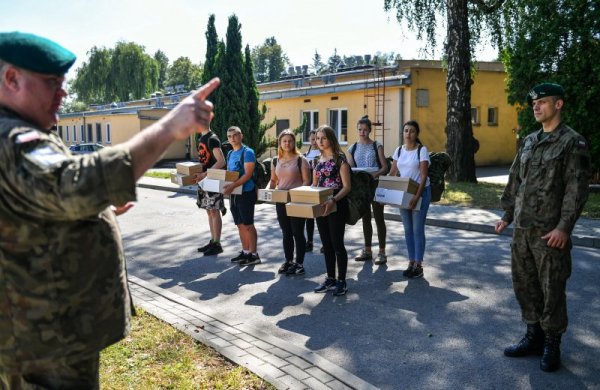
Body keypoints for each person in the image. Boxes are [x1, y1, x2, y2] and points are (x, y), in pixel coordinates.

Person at [0, 32, 219, 388]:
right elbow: (72, 184)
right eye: (52, 81)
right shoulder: (14, 140)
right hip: (46, 341)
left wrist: (97, 210)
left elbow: (36, 206)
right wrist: (170, 126)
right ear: (12, 79)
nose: (64, 92)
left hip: (42, 332)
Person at [495, 82, 591, 372]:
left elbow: (576, 189)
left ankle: (552, 343)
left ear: (558, 105)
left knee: (552, 290)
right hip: (522, 231)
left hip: (550, 234)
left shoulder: (572, 142)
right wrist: (507, 215)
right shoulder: (530, 141)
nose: (536, 107)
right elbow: (515, 179)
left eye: (543, 102)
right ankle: (532, 336)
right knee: (525, 285)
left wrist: (564, 227)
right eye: (534, 103)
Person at [388, 120, 432, 279]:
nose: (408, 134)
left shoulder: (422, 150)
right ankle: (411, 261)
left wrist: (416, 196)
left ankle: (418, 265)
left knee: (417, 229)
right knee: (407, 229)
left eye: (412, 131)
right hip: (403, 194)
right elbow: (392, 173)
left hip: (421, 192)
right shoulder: (398, 150)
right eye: (406, 131)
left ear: (416, 134)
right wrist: (384, 192)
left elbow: (423, 175)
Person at [312, 125, 351, 296]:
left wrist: (333, 199)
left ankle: (342, 281)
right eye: (318, 138)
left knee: (337, 244)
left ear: (331, 139)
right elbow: (314, 185)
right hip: (321, 204)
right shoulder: (316, 161)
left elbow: (347, 187)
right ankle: (330, 278)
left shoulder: (340, 159)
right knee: (326, 244)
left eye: (323, 138)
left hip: (336, 203)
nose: (320, 141)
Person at [346, 115, 389, 265]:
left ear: (370, 130)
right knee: (365, 218)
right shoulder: (353, 147)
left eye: (365, 130)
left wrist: (373, 175)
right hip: (362, 187)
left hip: (375, 184)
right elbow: (350, 168)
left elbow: (385, 167)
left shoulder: (376, 145)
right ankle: (367, 249)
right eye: (360, 129)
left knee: (379, 217)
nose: (362, 132)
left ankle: (382, 252)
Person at [268, 129, 311, 275]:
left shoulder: (301, 160)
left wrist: (299, 194)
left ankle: (299, 263)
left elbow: (307, 181)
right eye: (284, 141)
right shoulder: (275, 160)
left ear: (294, 142)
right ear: (280, 143)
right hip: (281, 201)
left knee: (297, 232)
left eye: (290, 141)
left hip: (297, 201)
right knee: (286, 232)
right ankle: (288, 261)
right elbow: (273, 180)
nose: (287, 143)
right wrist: (268, 192)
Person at [223, 126, 260, 267]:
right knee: (240, 225)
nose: (232, 138)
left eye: (235, 135)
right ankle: (245, 252)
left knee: (248, 225)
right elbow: (229, 174)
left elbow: (248, 174)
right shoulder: (230, 153)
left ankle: (254, 254)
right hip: (234, 194)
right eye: (229, 136)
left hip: (246, 192)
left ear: (241, 135)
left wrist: (232, 186)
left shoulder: (248, 152)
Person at [194, 127, 226, 256]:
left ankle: (217, 244)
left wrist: (205, 174)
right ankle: (213, 241)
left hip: (213, 179)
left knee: (214, 210)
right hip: (204, 179)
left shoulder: (212, 139)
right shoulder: (201, 138)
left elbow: (221, 161)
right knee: (209, 210)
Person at [303, 129, 320, 252]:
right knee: (309, 216)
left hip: (319, 187)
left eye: (316, 139)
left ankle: (325, 242)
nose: (314, 141)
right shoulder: (305, 154)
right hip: (308, 187)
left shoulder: (322, 152)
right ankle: (309, 241)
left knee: (321, 216)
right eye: (312, 139)